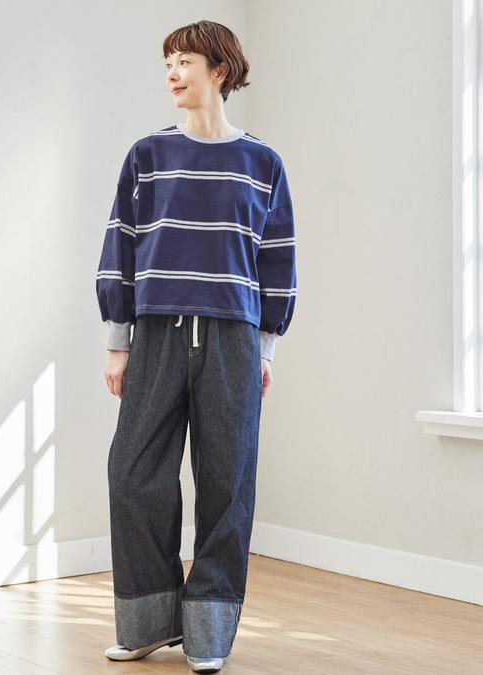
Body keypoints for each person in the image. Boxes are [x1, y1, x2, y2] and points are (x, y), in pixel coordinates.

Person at [95, 19, 296, 674]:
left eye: (184, 60)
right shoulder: (147, 155)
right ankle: (149, 621)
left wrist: (266, 348)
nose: (173, 73)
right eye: (168, 63)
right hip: (156, 331)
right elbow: (121, 244)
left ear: (220, 70)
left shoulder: (263, 164)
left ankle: (208, 628)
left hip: (233, 337)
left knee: (226, 483)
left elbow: (277, 260)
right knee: (133, 473)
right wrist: (118, 340)